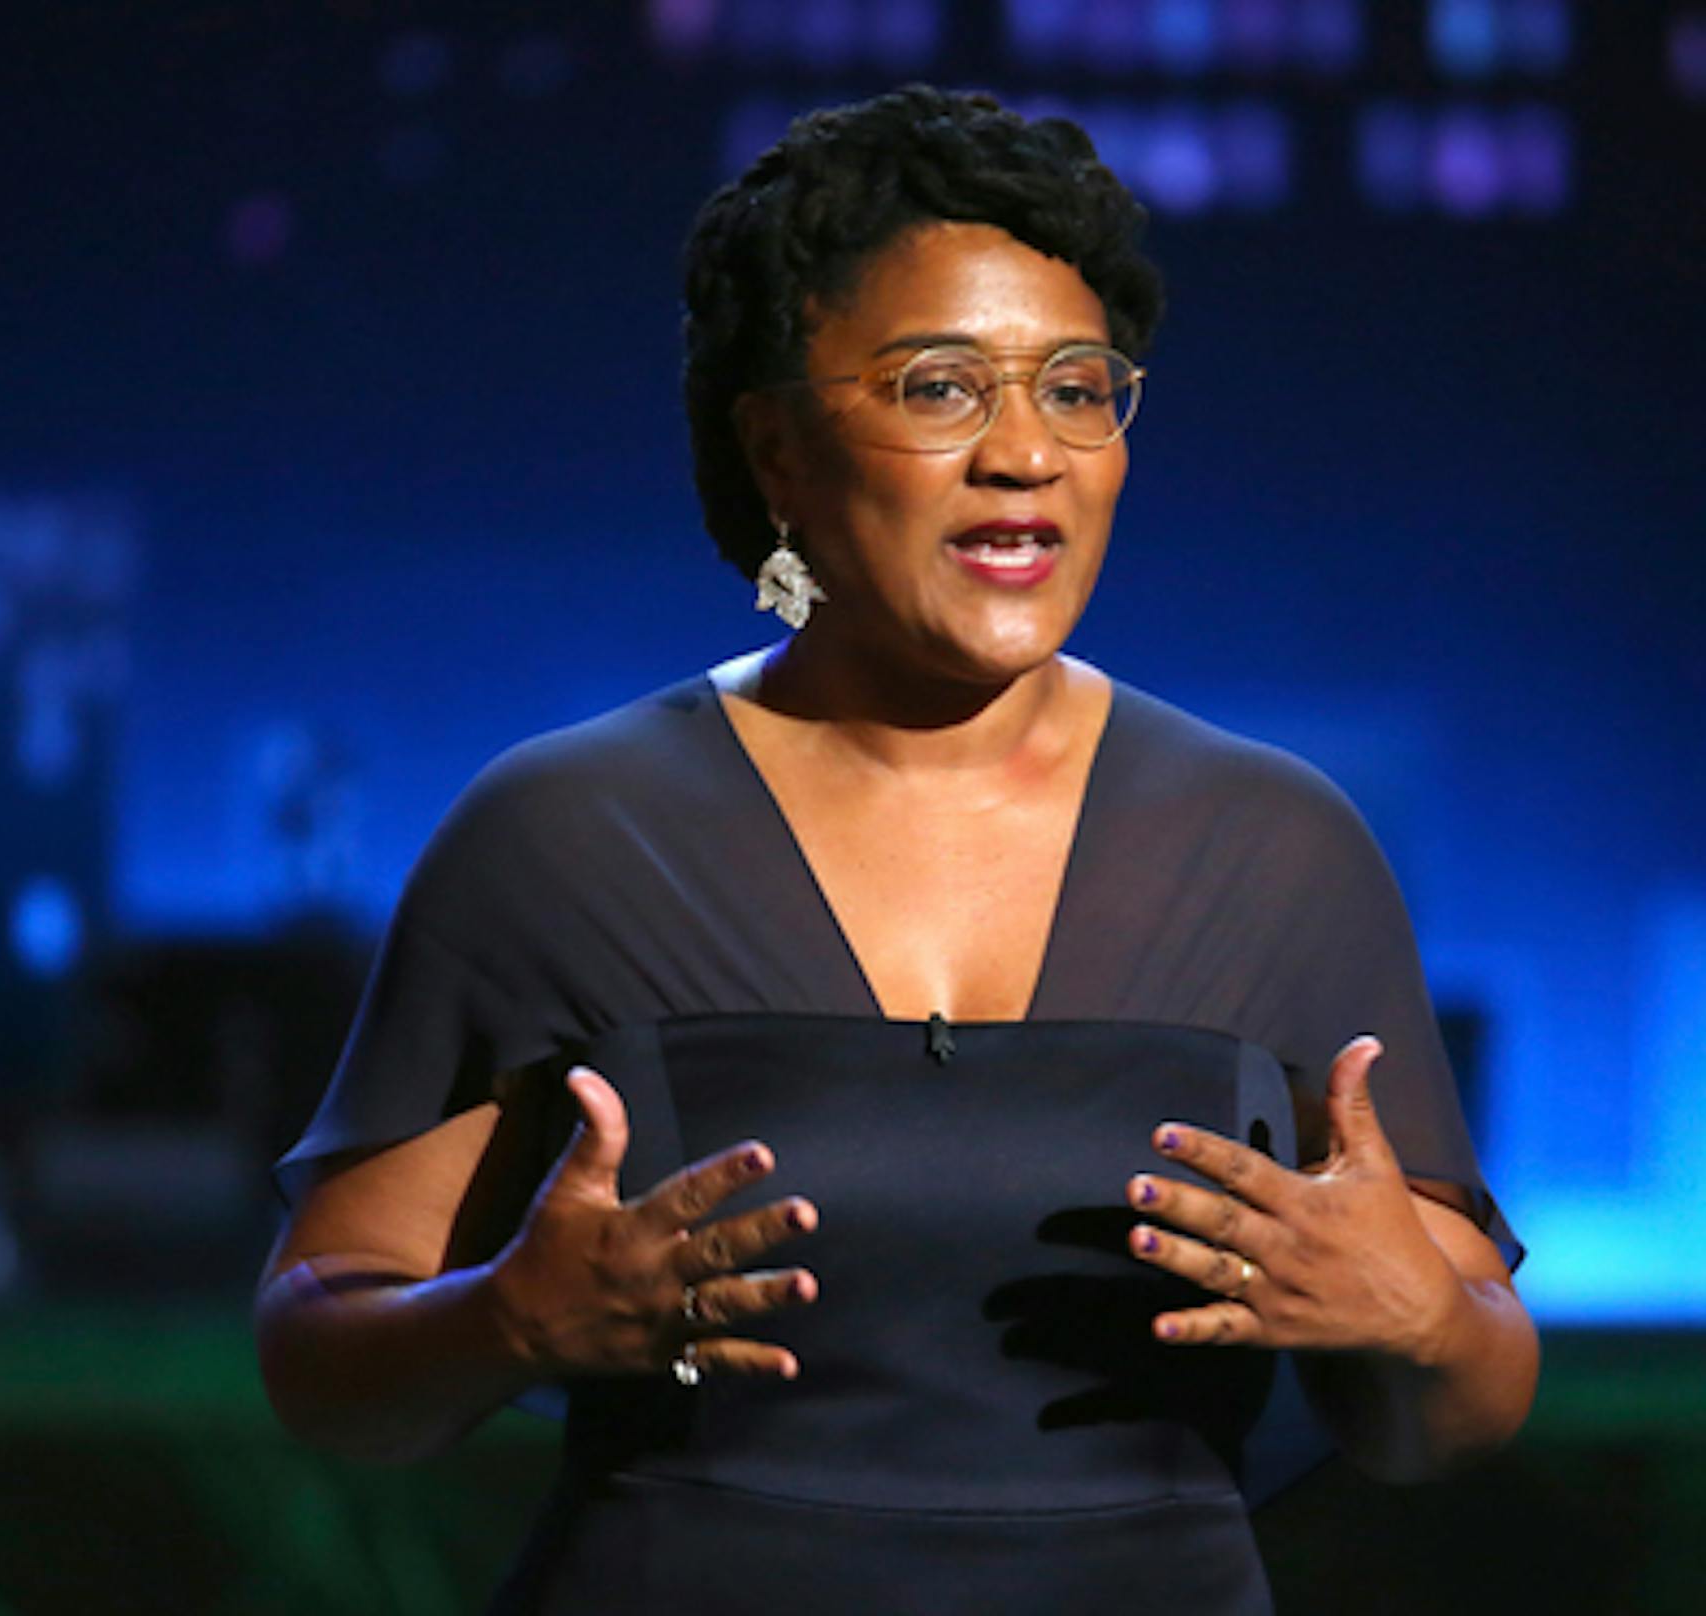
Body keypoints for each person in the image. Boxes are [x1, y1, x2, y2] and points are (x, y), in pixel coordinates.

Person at [255, 85, 1536, 1614]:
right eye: (941, 389)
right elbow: (324, 1358)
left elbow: (1450, 1409)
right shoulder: (562, 835)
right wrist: (504, 1324)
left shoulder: (1276, 846)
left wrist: (1424, 1327)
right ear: (777, 448)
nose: (1026, 454)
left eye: (1077, 388)